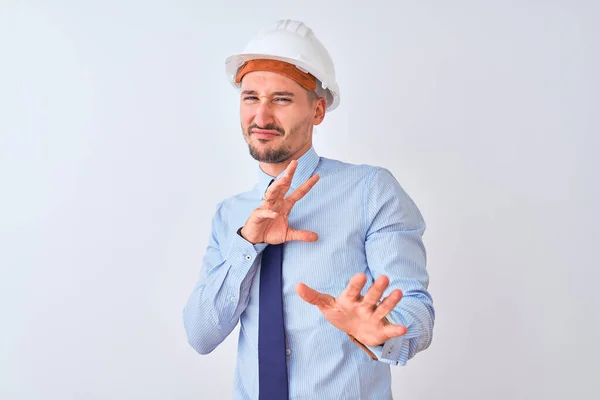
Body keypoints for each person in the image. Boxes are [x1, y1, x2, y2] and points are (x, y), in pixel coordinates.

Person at [183, 19, 434, 400]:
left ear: (317, 111)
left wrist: (377, 330)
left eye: (281, 99)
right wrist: (247, 244)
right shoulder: (230, 215)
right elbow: (201, 334)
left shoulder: (370, 190)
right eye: (251, 97)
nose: (261, 118)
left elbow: (416, 312)